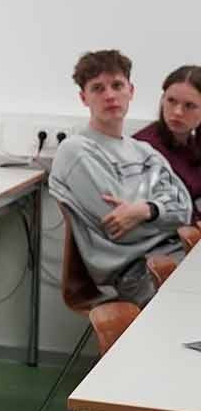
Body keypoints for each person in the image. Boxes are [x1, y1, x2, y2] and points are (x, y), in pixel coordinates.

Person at [50, 50, 192, 305]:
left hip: (176, 254)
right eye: (97, 88)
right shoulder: (76, 151)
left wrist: (145, 209)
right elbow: (121, 230)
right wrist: (160, 210)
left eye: (117, 85)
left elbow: (184, 209)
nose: (110, 95)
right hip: (136, 272)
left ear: (131, 91)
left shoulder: (144, 151)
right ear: (84, 98)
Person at [136, 64, 201, 222]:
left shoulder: (193, 144)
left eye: (189, 106)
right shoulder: (144, 148)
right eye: (171, 101)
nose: (177, 112)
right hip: (168, 238)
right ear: (162, 100)